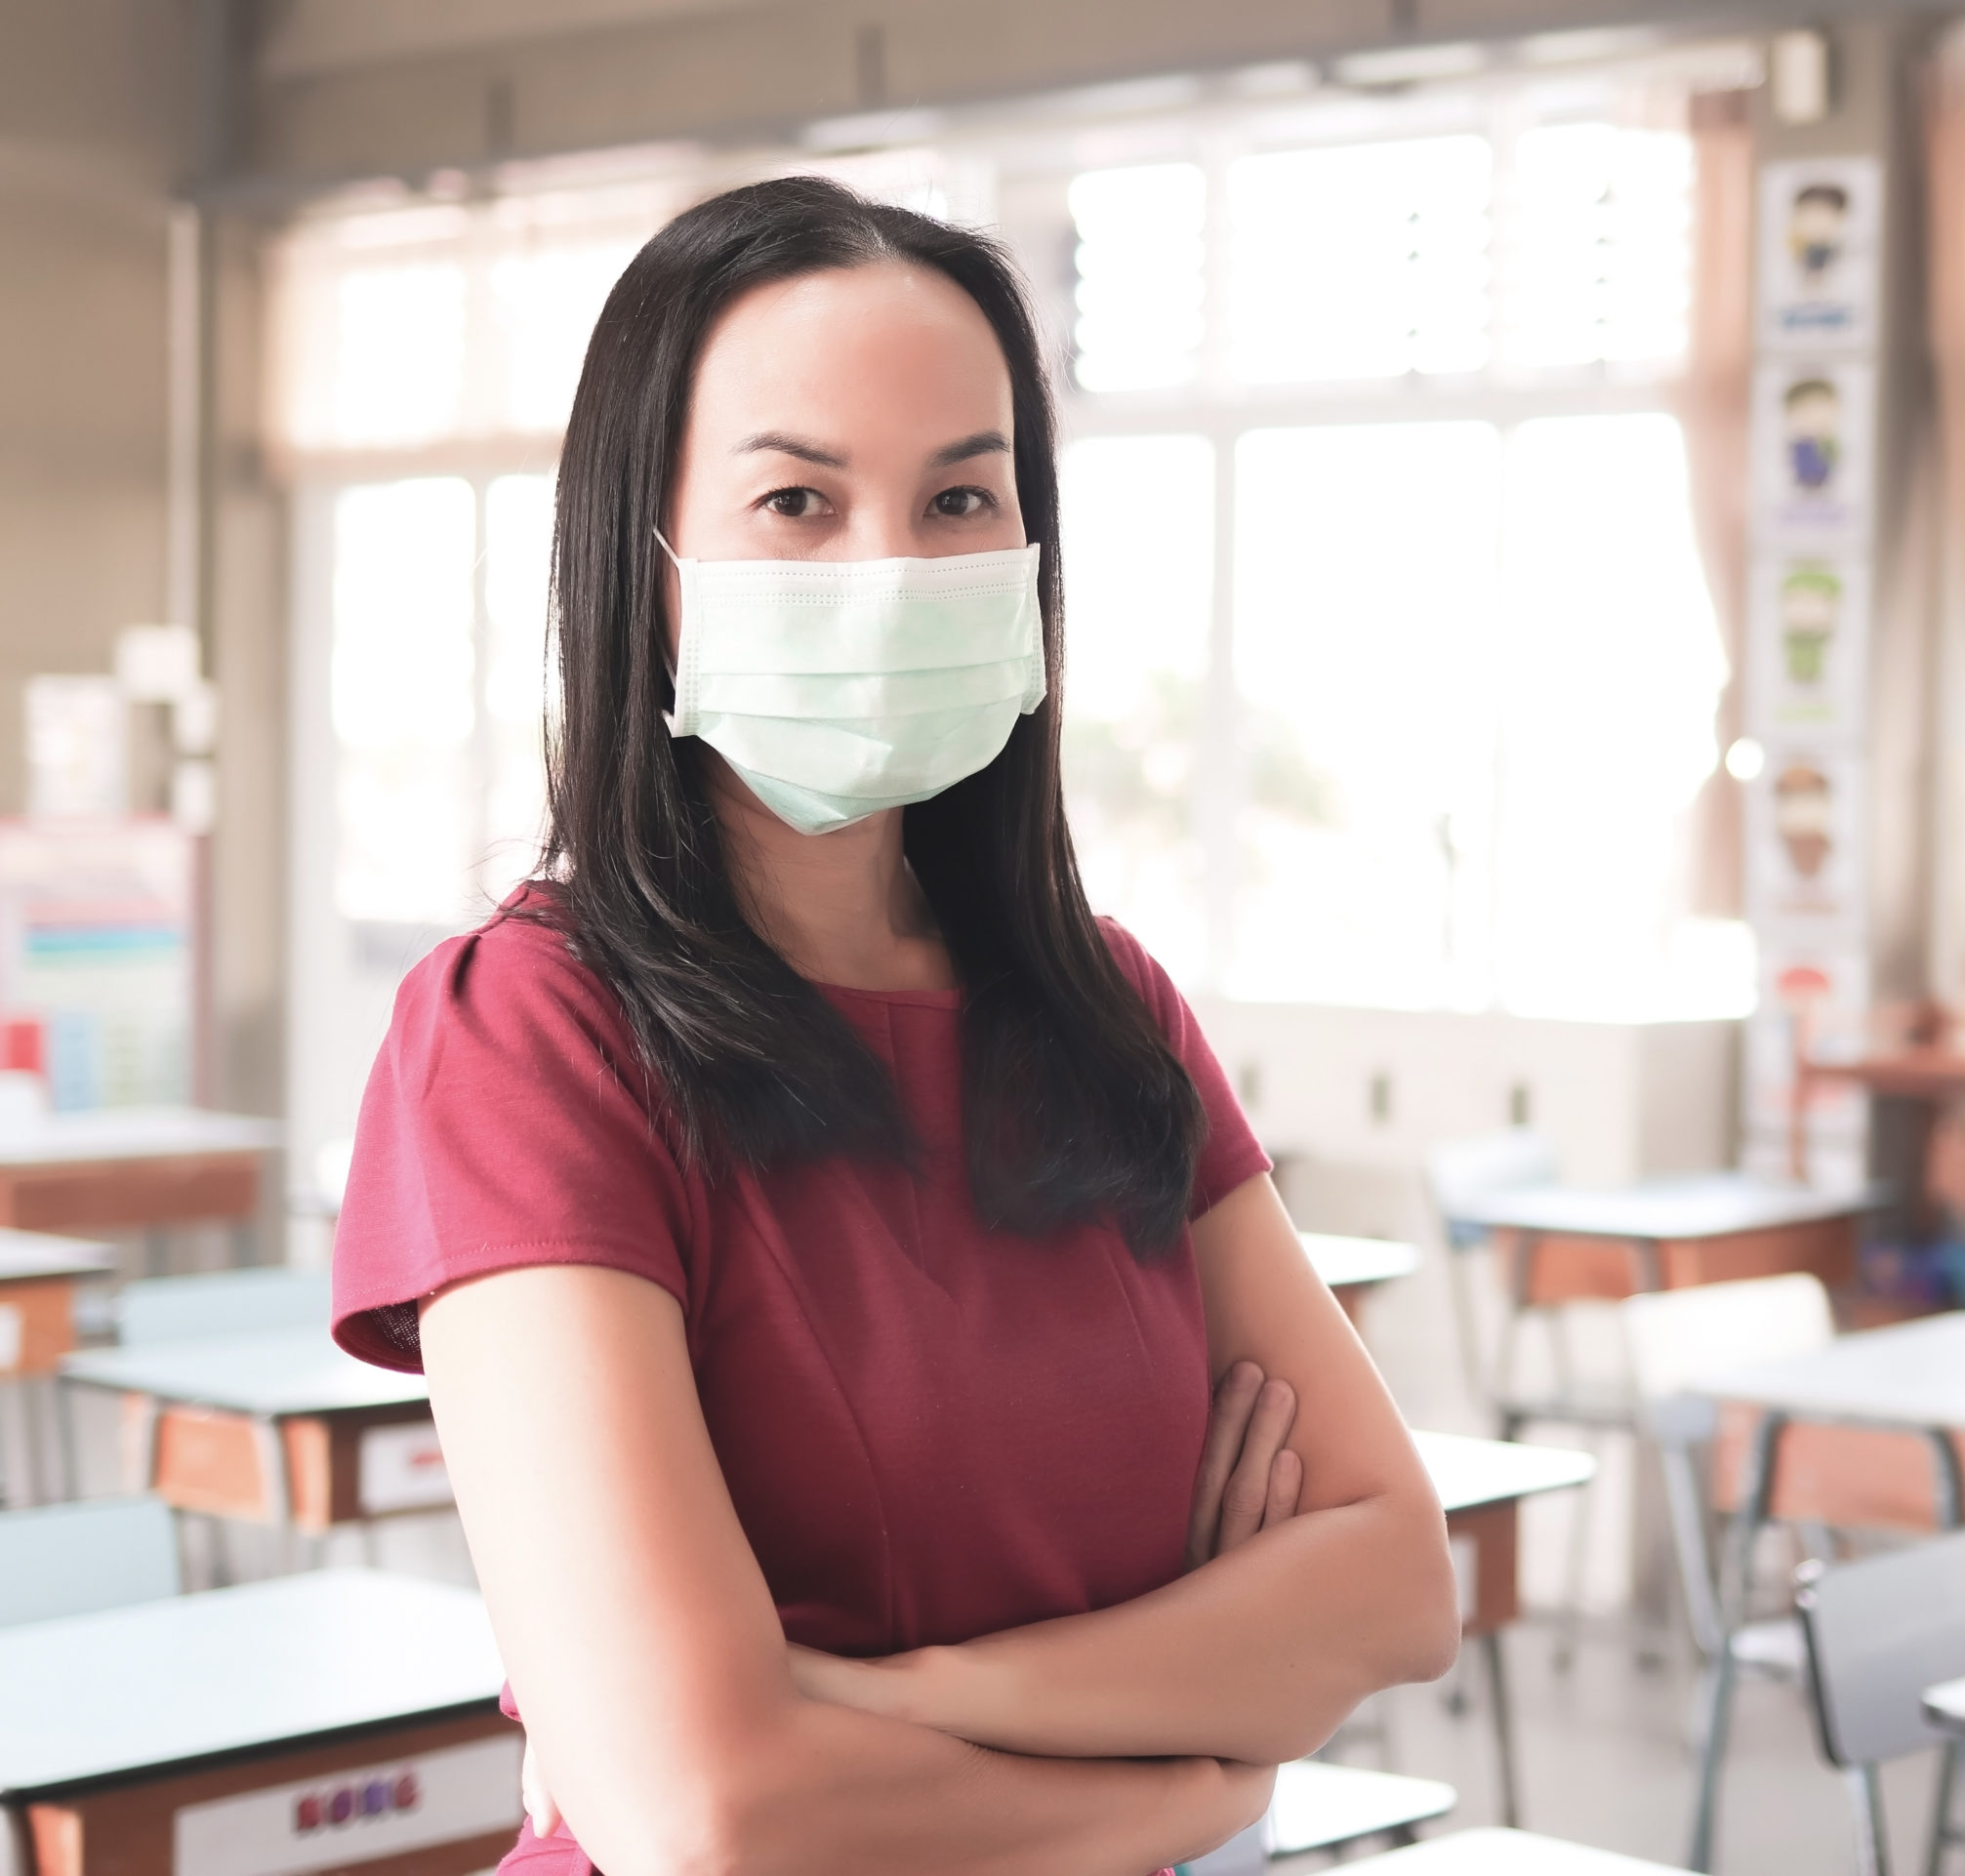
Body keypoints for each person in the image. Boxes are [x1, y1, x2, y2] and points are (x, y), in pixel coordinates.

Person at [331, 175, 1459, 1876]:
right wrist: (1195, 1767)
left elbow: (1394, 1581)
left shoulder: (1107, 1009)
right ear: (644, 560)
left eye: (957, 498)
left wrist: (904, 1697)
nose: (888, 569)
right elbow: (704, 1816)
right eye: (797, 499)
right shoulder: (528, 1032)